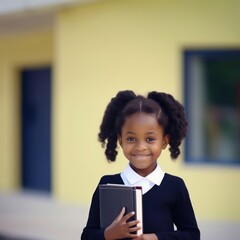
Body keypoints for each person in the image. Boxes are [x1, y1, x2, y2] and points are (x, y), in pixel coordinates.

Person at [81, 90, 200, 240]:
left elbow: (192, 235)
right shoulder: (107, 184)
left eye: (150, 139)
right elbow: (87, 235)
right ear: (120, 140)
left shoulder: (175, 186)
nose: (140, 147)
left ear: (164, 141)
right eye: (131, 138)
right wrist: (108, 234)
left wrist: (153, 238)